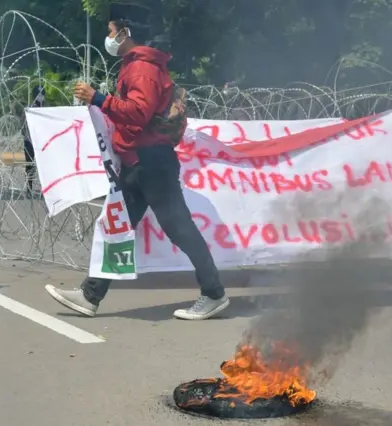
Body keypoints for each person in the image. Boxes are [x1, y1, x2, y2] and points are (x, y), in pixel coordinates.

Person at [44, 2, 229, 320]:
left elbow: (140, 113)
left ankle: (213, 293)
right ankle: (91, 295)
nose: (109, 34)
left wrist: (99, 99)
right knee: (117, 227)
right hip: (139, 162)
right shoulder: (137, 64)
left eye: (112, 29)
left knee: (179, 228)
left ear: (126, 32)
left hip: (151, 163)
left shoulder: (142, 68)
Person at [21, 85, 47, 198]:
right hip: (30, 141)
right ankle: (29, 187)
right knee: (30, 165)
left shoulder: (47, 109)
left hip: (43, 142)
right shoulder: (28, 109)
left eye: (42, 94)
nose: (40, 97)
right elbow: (23, 125)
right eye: (38, 94)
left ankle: (45, 189)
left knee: (44, 166)